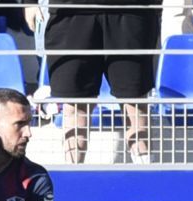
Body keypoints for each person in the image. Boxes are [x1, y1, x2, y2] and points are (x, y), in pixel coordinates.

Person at [27, 0, 161, 164]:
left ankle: (144, 172)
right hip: (70, 13)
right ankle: (74, 174)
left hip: (131, 12)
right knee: (75, 106)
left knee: (135, 104)